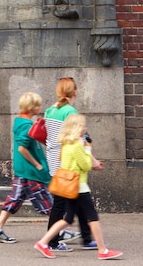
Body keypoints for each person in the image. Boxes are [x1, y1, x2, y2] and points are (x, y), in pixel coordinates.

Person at [34, 114, 123, 260]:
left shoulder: (66, 144)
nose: (85, 128)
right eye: (83, 125)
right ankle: (102, 250)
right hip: (79, 187)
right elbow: (85, 165)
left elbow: (68, 162)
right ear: (76, 128)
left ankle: (44, 242)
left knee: (67, 219)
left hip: (69, 187)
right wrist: (87, 149)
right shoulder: (77, 145)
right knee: (93, 217)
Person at [0, 92, 53, 244]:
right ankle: (59, 231)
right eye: (37, 105)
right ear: (31, 108)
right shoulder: (27, 126)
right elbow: (22, 148)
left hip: (23, 170)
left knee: (14, 199)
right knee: (46, 201)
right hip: (31, 171)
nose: (40, 107)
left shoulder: (20, 123)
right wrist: (37, 164)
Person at [43, 77, 95, 251]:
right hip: (67, 161)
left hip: (53, 159)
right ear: (74, 92)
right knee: (61, 203)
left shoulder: (49, 110)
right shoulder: (70, 111)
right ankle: (52, 242)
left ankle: (86, 238)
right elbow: (77, 137)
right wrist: (92, 158)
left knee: (76, 198)